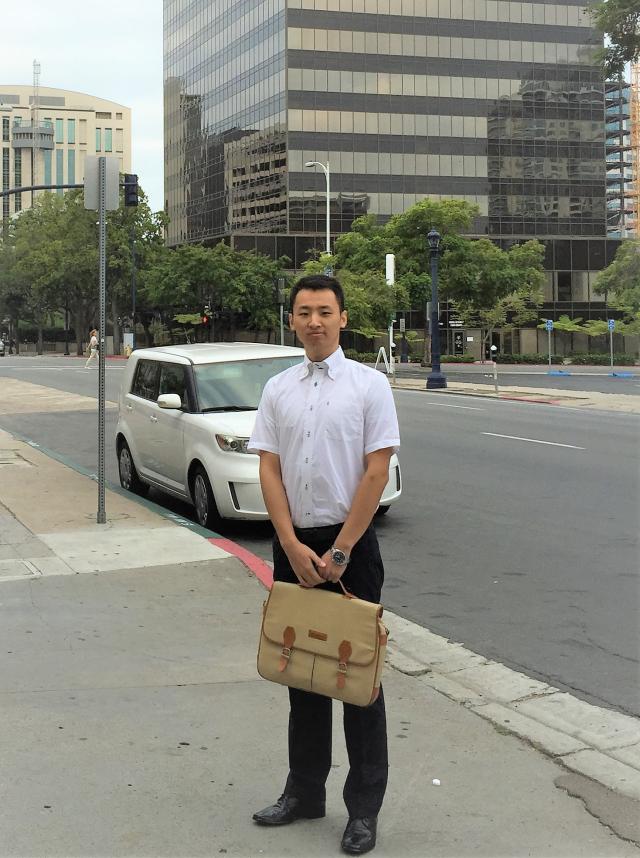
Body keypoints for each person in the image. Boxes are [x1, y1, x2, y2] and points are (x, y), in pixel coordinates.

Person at [247, 274, 400, 855]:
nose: (314, 321)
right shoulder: (278, 388)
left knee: (358, 681)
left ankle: (363, 810)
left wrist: (341, 551)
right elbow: (268, 467)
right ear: (291, 320)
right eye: (304, 311)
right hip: (294, 546)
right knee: (302, 673)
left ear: (342, 319)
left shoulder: (369, 385)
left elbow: (377, 470)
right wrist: (288, 543)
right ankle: (304, 792)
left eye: (325, 311)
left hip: (350, 549)